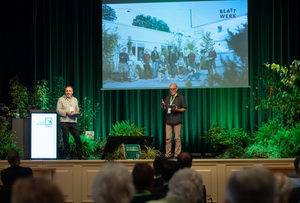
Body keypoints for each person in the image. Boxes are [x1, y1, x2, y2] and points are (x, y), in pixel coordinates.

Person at [56, 86, 87, 160]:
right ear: (65, 92)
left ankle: (80, 155)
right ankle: (68, 155)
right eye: (66, 91)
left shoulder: (75, 99)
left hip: (73, 121)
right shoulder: (61, 99)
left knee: (77, 138)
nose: (68, 92)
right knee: (66, 139)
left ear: (72, 92)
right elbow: (58, 110)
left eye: (69, 91)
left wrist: (77, 112)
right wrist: (66, 112)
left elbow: (77, 108)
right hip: (64, 121)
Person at [161, 83, 187, 158]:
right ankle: (167, 154)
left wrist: (177, 109)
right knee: (168, 138)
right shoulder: (167, 98)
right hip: (169, 120)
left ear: (176, 89)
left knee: (177, 138)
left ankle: (177, 154)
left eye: (173, 89)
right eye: (170, 89)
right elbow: (164, 109)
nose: (171, 91)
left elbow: (184, 108)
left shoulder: (181, 97)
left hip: (177, 120)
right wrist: (163, 105)